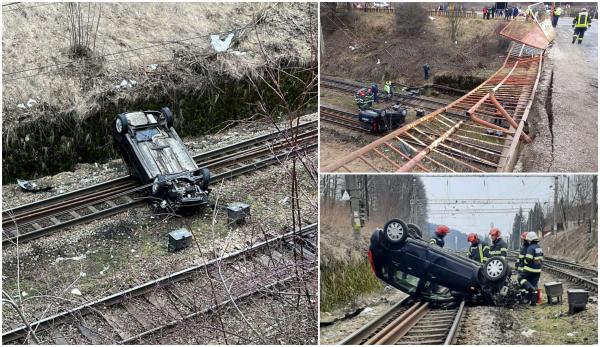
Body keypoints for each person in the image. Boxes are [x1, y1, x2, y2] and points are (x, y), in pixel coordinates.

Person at [520, 231, 544, 306]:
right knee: (533, 283)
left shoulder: (531, 248)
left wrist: (526, 262)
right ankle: (533, 302)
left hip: (530, 269)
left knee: (521, 279)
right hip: (538, 270)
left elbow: (528, 258)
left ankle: (531, 290)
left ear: (530, 240)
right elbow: (541, 259)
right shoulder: (539, 247)